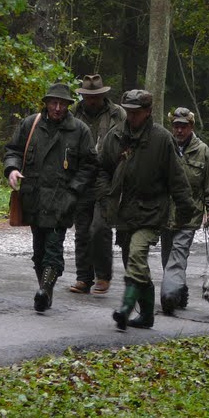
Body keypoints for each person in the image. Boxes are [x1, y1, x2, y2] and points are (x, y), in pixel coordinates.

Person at [97, 90, 195, 330]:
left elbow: (177, 178)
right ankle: (147, 315)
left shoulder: (161, 139)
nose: (131, 116)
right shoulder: (116, 136)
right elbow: (101, 169)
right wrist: (105, 194)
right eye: (128, 111)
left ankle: (125, 309)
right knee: (132, 261)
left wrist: (186, 209)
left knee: (137, 255)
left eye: (136, 112)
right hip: (123, 212)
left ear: (148, 112)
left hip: (152, 212)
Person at [4, 83, 97, 312]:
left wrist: (74, 190)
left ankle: (44, 291)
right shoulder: (30, 124)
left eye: (62, 104)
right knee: (39, 251)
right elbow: (13, 150)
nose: (57, 108)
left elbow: (89, 165)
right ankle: (46, 290)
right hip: (33, 196)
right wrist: (12, 169)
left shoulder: (79, 130)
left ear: (68, 105)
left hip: (62, 199)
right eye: (53, 103)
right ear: (46, 103)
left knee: (54, 247)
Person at [160, 107, 209, 314]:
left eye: (183, 126)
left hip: (189, 215)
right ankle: (180, 290)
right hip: (164, 214)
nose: (179, 130)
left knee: (178, 254)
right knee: (168, 256)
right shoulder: (164, 146)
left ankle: (169, 297)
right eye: (176, 126)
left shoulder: (203, 152)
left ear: (191, 127)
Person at [70, 74, 126, 295]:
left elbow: (126, 137)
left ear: (103, 95)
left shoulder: (117, 113)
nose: (91, 100)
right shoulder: (73, 113)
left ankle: (103, 276)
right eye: (87, 96)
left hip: (107, 179)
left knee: (100, 228)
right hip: (80, 178)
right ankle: (84, 277)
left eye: (95, 96)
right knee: (82, 230)